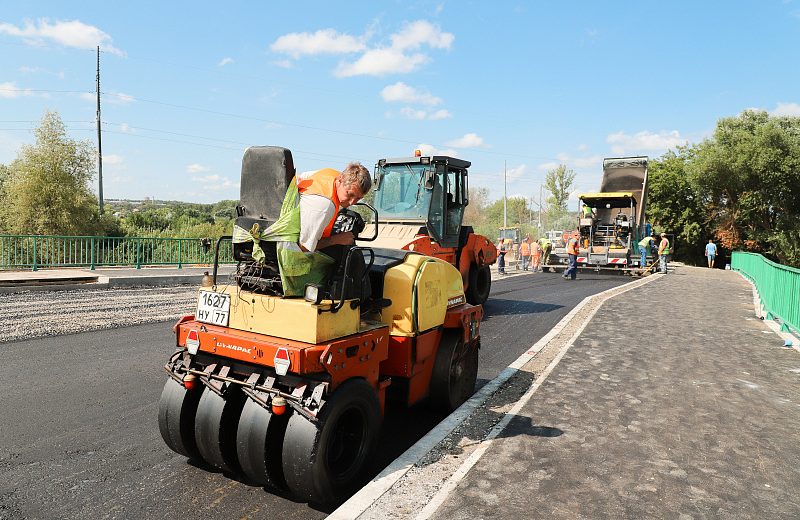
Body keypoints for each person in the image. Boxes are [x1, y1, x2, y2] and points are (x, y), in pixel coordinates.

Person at [296, 162, 372, 297]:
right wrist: (336, 239)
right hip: (294, 250)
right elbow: (303, 248)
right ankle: (359, 300)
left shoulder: (330, 175)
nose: (352, 203)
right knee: (351, 253)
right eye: (350, 195)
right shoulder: (324, 206)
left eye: (358, 198)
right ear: (341, 180)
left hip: (298, 230)